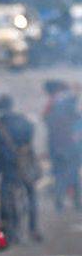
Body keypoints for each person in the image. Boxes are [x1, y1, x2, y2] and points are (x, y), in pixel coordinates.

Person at [0, 94, 41, 244]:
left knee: (5, 198)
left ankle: (8, 230)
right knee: (31, 196)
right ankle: (33, 228)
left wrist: (4, 159)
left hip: (7, 168)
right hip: (25, 165)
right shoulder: (25, 121)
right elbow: (30, 140)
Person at [43, 80, 82, 212]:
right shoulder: (73, 113)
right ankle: (76, 201)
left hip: (57, 147)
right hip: (71, 147)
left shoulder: (53, 109)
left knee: (59, 174)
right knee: (72, 174)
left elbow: (46, 121)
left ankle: (60, 203)